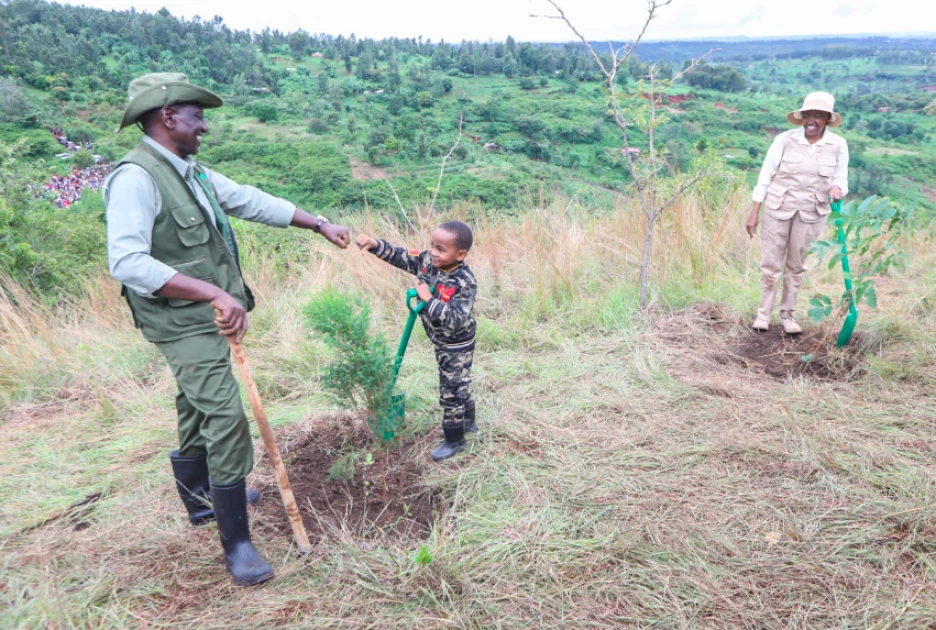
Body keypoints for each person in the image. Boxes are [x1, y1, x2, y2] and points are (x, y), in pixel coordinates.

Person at [104, 73, 351, 586]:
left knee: (194, 401)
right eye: (197, 116)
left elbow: (248, 200)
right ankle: (237, 543)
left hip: (198, 315)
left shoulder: (190, 171)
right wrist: (214, 292)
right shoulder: (136, 178)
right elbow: (127, 262)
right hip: (178, 319)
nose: (204, 127)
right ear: (167, 116)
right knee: (224, 413)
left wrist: (319, 223)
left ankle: (200, 500)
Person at [355, 222, 478, 462]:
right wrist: (375, 245)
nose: (433, 252)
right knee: (458, 381)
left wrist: (428, 298)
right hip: (439, 339)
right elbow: (402, 256)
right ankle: (468, 421)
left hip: (457, 343)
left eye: (441, 249)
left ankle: (454, 438)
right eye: (432, 246)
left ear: (460, 254)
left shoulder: (464, 282)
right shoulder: (426, 261)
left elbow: (454, 319)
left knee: (450, 390)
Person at [746, 91, 849, 334]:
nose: (812, 121)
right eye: (808, 115)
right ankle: (763, 315)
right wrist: (754, 213)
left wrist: (837, 188)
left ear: (827, 119)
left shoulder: (838, 145)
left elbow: (841, 179)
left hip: (812, 213)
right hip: (777, 209)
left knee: (797, 265)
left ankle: (788, 316)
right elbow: (765, 177)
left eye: (818, 116)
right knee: (770, 264)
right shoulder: (784, 140)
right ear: (801, 117)